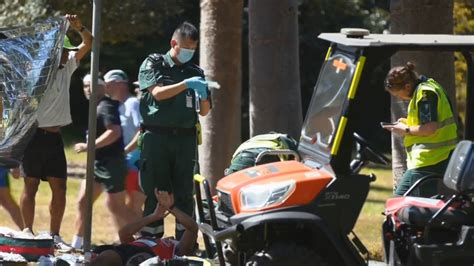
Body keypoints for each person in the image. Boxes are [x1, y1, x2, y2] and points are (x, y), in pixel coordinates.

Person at [20, 14, 92, 250]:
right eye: (62, 52)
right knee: (30, 186)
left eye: (67, 52)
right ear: (53, 53)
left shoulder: (67, 67)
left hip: (55, 138)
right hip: (33, 137)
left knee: (59, 188)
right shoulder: (38, 72)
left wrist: (78, 26)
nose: (66, 55)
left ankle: (54, 234)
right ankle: (27, 231)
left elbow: (89, 43)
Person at [137, 21, 211, 239]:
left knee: (185, 195)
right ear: (174, 43)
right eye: (186, 47)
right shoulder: (154, 63)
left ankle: (185, 244)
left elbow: (205, 111)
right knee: (156, 193)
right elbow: (157, 93)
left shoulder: (195, 71)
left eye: (193, 49)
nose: (190, 52)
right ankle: (151, 243)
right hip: (156, 138)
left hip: (185, 140)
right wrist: (186, 85)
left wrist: (205, 94)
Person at [71, 74, 131, 249]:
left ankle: (140, 240)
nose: (87, 89)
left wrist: (90, 146)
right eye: (85, 86)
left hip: (112, 164)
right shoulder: (97, 106)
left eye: (91, 85)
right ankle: (77, 245)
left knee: (117, 207)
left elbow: (114, 132)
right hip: (98, 164)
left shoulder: (105, 106)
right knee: (83, 202)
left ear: (102, 87)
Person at [382, 62, 458, 197]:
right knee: (399, 205)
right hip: (431, 159)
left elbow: (430, 128)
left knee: (412, 209)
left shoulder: (424, 94)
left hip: (428, 160)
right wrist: (406, 123)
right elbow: (429, 122)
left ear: (407, 86)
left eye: (399, 95)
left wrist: (405, 129)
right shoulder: (429, 85)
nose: (400, 98)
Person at [90, 190, 198, 266]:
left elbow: (192, 227)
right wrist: (153, 217)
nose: (170, 237)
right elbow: (124, 233)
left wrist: (170, 207)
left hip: (148, 260)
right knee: (106, 256)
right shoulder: (141, 241)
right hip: (126, 254)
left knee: (107, 257)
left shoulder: (179, 250)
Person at [103, 70, 145, 218]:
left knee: (134, 203)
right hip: (124, 162)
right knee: (119, 203)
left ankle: (140, 237)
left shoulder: (132, 103)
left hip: (135, 162)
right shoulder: (115, 106)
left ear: (120, 84)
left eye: (108, 84)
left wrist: (125, 152)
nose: (105, 88)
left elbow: (142, 132)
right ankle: (129, 236)